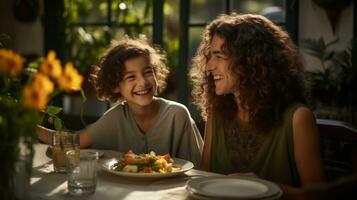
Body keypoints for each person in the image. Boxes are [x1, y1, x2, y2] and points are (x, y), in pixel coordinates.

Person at [189, 13, 325, 187]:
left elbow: (317, 195)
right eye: (209, 56)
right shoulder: (216, 113)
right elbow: (203, 183)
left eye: (219, 56)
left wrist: (265, 187)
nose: (209, 67)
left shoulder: (298, 118)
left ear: (249, 61)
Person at [38, 35, 203, 166]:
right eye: (131, 77)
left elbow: (199, 170)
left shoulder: (177, 114)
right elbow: (74, 141)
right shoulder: (116, 117)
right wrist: (31, 127)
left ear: (156, 74)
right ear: (116, 86)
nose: (143, 82)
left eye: (147, 72)